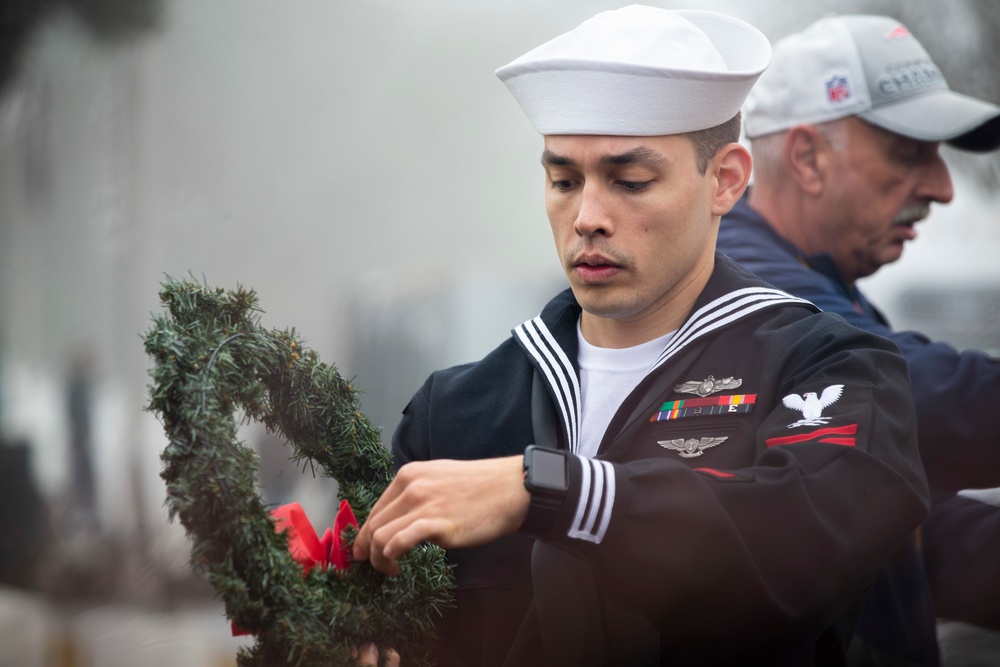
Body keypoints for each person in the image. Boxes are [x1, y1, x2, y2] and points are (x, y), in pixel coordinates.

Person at [353, 7, 929, 666]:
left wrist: (548, 491)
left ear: (727, 180)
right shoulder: (452, 412)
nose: (588, 217)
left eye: (630, 180)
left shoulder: (829, 369)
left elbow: (799, 543)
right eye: (563, 179)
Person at [716, 14, 1000, 666]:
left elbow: (923, 536)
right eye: (909, 154)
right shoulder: (741, 287)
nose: (942, 187)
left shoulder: (827, 284)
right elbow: (909, 402)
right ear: (808, 157)